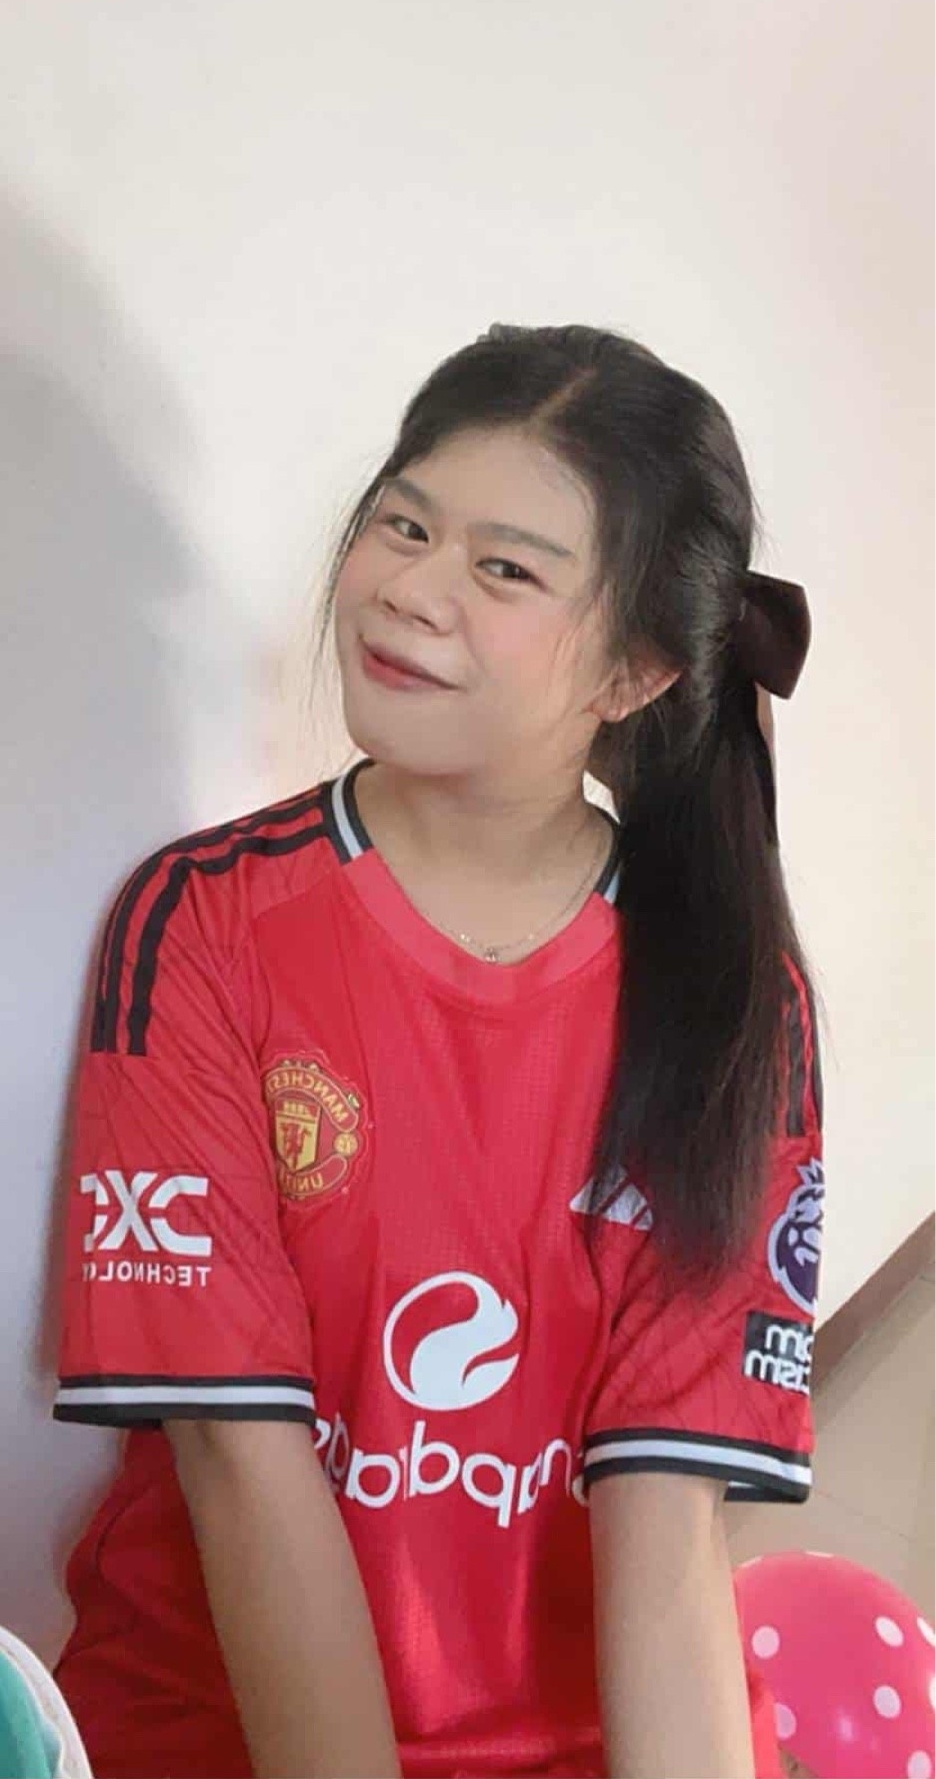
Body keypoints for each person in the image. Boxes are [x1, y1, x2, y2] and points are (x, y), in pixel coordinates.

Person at [51, 324, 825, 1779]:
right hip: (223, 1718)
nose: (410, 588)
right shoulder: (200, 925)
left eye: (505, 568)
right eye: (404, 525)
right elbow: (235, 1455)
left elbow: (666, 1519)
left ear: (636, 670)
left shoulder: (732, 1002)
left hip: (571, 1732)